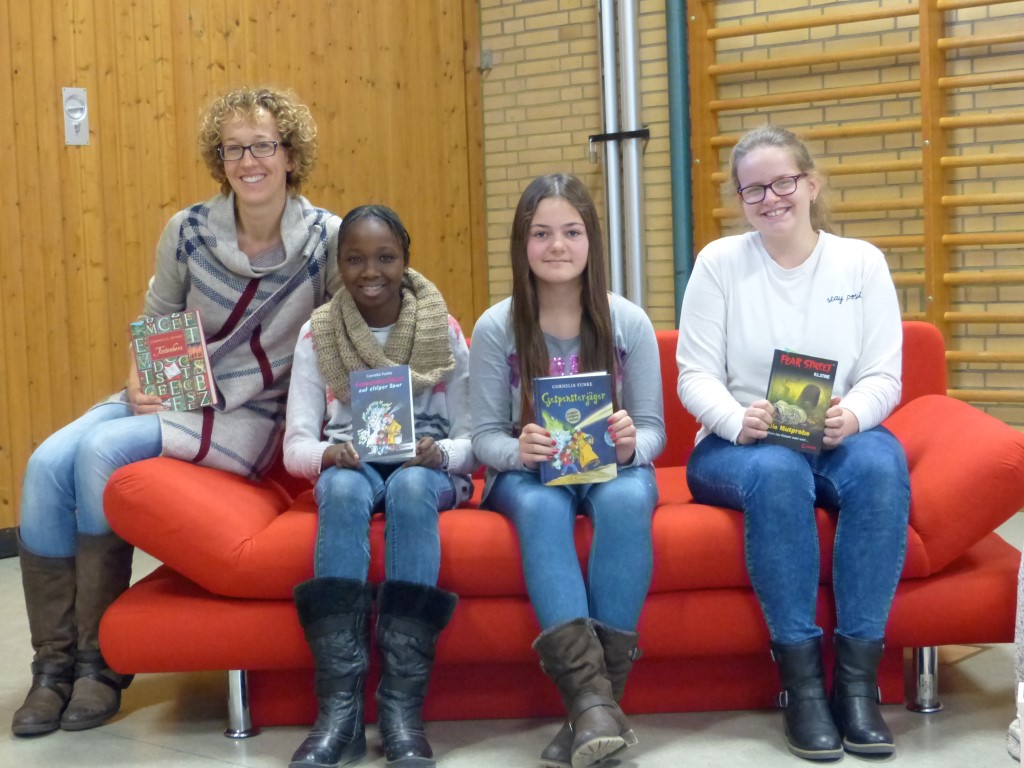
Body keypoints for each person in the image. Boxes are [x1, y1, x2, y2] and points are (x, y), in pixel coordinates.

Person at [13, 85, 341, 737]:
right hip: (178, 393)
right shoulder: (187, 230)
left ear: (290, 154)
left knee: (99, 452)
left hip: (254, 413)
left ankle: (99, 665)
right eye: (233, 149)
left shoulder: (325, 238)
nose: (249, 161)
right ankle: (51, 668)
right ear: (219, 159)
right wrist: (139, 381)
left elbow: (335, 340)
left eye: (263, 146)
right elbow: (158, 319)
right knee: (45, 462)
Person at [676, 124, 910, 761]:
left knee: (882, 464)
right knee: (779, 471)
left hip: (836, 436)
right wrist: (736, 419)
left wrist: (853, 416)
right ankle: (802, 690)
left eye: (782, 182)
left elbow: (884, 375)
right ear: (741, 199)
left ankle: (856, 689)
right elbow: (694, 374)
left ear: (811, 184)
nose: (770, 198)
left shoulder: (861, 262)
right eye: (753, 189)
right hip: (739, 446)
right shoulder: (719, 263)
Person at [470, 173, 665, 768]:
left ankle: (591, 710)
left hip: (613, 471)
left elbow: (654, 430)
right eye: (541, 233)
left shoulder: (628, 321)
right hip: (530, 476)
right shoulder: (495, 327)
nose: (557, 245)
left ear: (591, 241)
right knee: (541, 505)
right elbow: (482, 437)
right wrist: (517, 450)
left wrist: (630, 446)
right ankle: (595, 704)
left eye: (572, 232)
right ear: (522, 244)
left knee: (627, 500)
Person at [282, 205, 472, 768]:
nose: (370, 272)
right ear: (338, 265)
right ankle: (338, 713)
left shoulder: (444, 331)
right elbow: (295, 447)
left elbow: (476, 441)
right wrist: (327, 454)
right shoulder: (317, 335)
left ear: (405, 261)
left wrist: (441, 453)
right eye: (355, 259)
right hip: (353, 462)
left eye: (385, 257)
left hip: (426, 468)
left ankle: (400, 711)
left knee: (411, 489)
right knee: (341, 488)